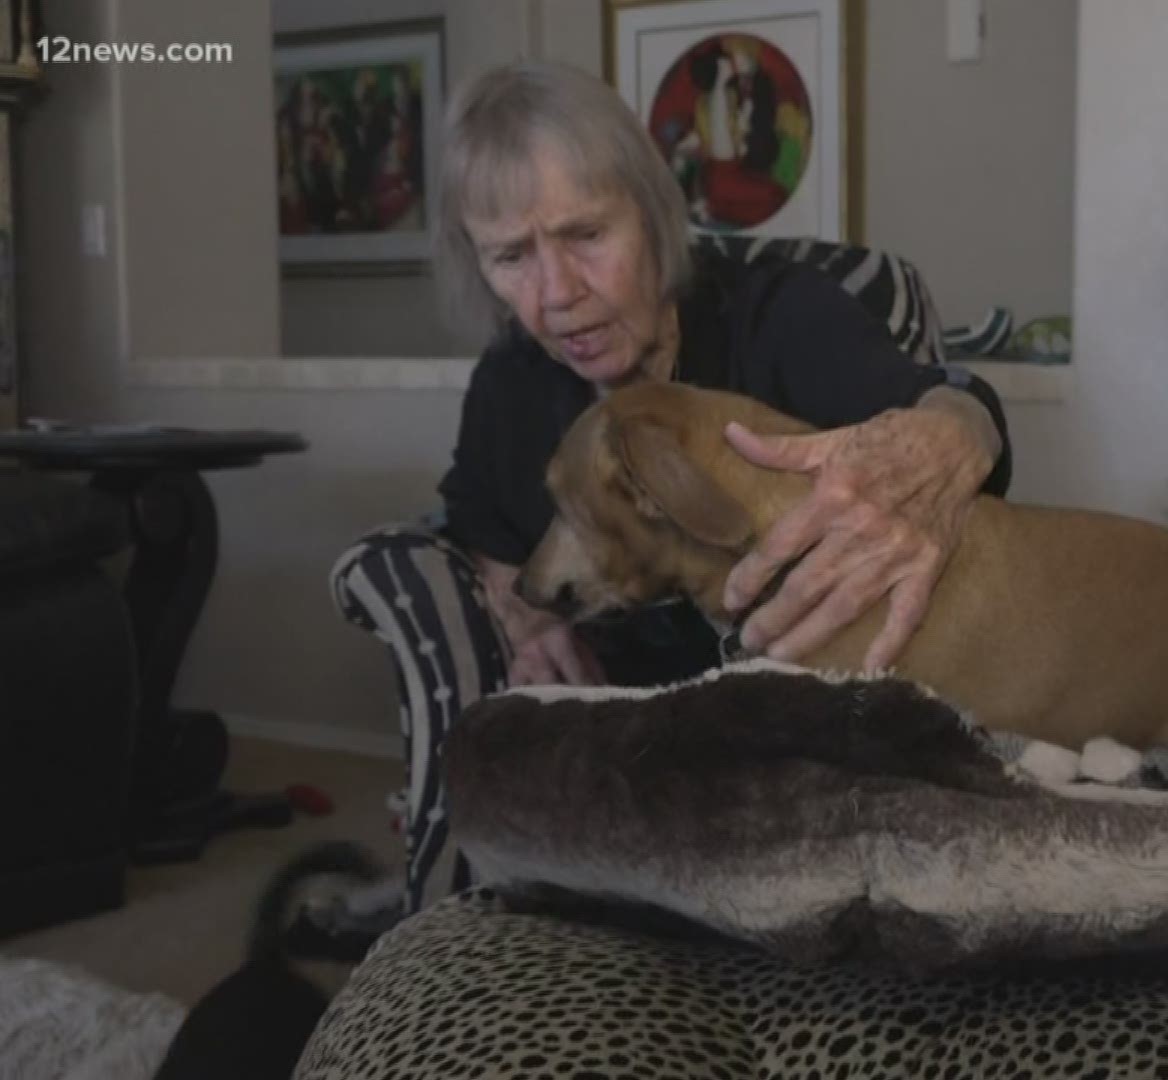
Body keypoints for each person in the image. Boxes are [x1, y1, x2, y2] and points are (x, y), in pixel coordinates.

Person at [311, 58, 1010, 921]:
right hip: (628, 742)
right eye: (512, 257)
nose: (558, 295)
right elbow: (478, 528)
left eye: (585, 236)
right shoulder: (512, 381)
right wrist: (522, 616)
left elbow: (940, 409)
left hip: (806, 742)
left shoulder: (779, 316)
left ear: (650, 211)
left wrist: (957, 426)